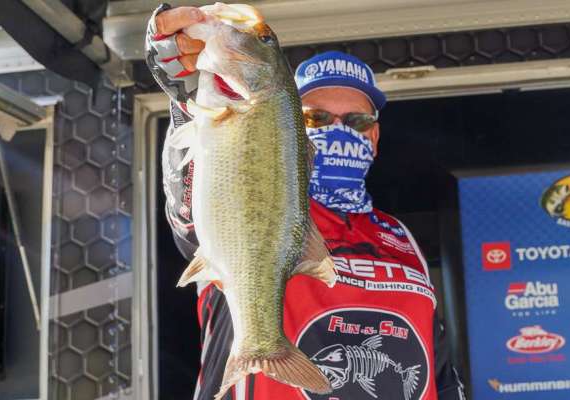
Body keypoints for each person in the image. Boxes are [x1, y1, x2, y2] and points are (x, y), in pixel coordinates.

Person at [146, 4, 466, 399]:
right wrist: (185, 94)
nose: (339, 130)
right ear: (288, 124)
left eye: (357, 122)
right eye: (317, 118)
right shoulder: (255, 202)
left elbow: (441, 371)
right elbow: (191, 198)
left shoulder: (401, 236)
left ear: (374, 137)